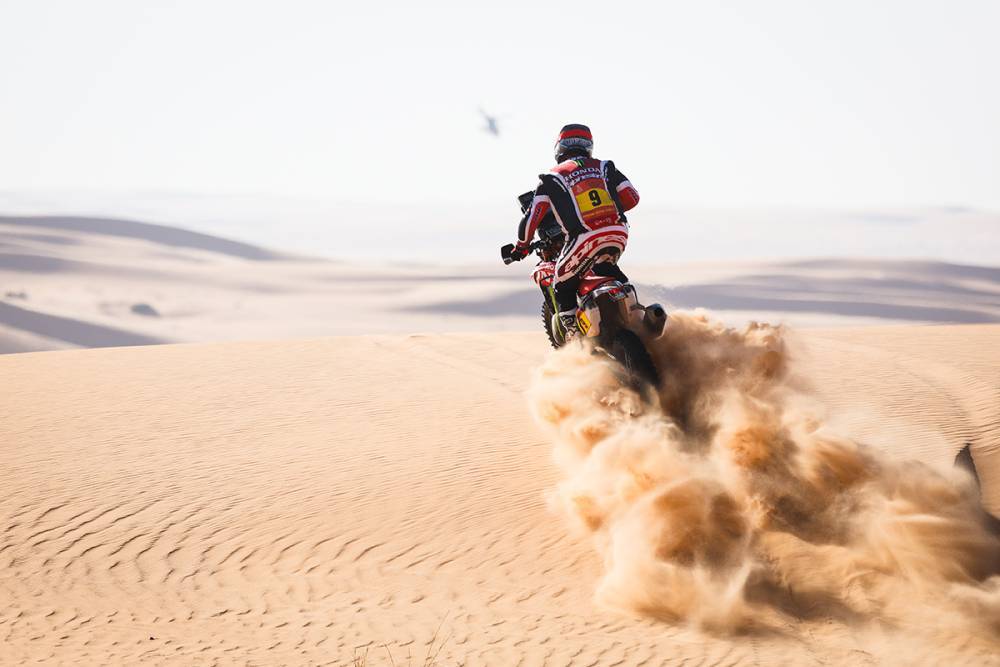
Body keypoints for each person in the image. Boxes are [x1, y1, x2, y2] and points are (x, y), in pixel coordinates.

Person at [511, 124, 640, 338]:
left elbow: (532, 218)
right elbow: (632, 198)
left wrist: (521, 247)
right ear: (589, 146)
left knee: (562, 286)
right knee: (608, 269)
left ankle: (575, 336)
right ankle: (639, 317)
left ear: (559, 149)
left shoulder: (551, 178)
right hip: (617, 233)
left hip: (583, 239)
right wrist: (605, 211)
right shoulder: (606, 166)